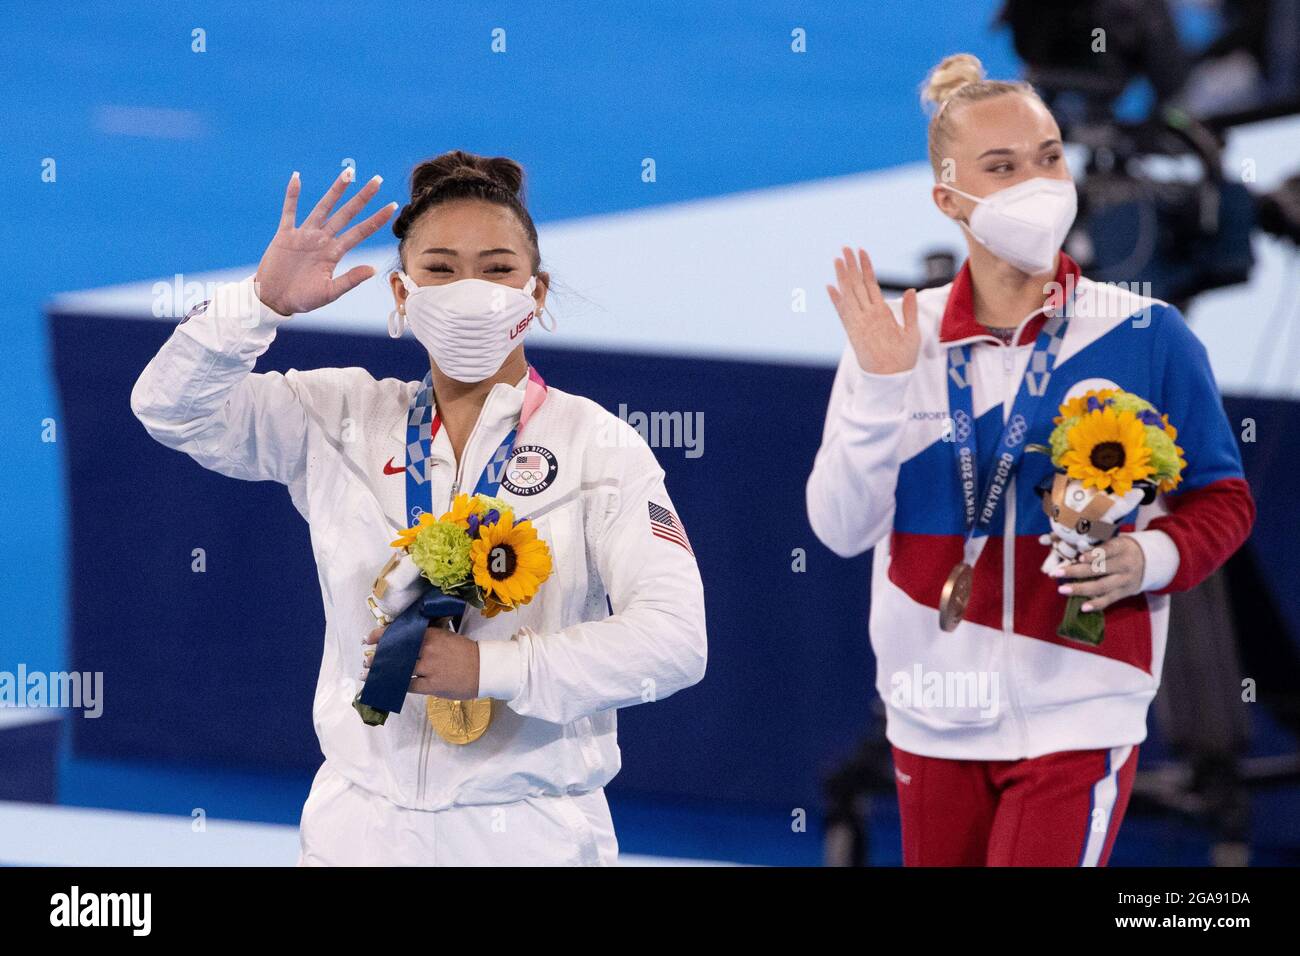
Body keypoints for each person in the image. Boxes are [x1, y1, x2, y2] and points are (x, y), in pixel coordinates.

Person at [130, 151, 707, 866]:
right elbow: (169, 410)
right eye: (440, 268)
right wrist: (257, 305)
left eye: (497, 269)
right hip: (357, 833)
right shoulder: (338, 417)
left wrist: (491, 671)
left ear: (538, 292)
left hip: (527, 834)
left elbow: (676, 642)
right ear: (401, 294)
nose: (471, 291)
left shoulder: (600, 449)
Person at [806, 54, 1254, 866]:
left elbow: (1223, 500)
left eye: (1048, 158)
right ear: (948, 198)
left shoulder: (1147, 336)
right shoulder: (897, 341)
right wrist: (877, 388)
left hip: (1084, 704)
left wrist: (1148, 557)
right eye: (1002, 168)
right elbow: (840, 531)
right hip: (932, 705)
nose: (1037, 184)